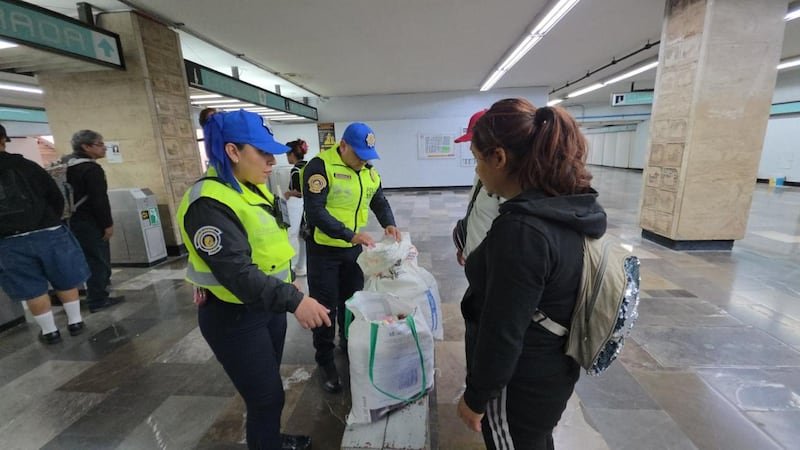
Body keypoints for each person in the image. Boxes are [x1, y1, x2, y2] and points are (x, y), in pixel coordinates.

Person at [456, 98, 607, 450]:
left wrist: (476, 397)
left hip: (520, 381)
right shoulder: (565, 207)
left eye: (478, 160)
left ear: (499, 158)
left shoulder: (521, 230)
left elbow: (503, 331)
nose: (477, 171)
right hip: (552, 365)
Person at [177, 110, 330, 450]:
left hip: (266, 306)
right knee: (266, 397)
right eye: (262, 152)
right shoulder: (209, 202)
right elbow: (238, 273)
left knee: (267, 388)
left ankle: (269, 439)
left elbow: (266, 245)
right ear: (232, 151)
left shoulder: (249, 188)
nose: (271, 161)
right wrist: (295, 301)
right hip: (233, 316)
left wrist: (289, 280)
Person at [302, 122, 401, 393]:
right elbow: (315, 212)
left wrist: (388, 223)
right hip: (324, 250)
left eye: (366, 156)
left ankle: (348, 343)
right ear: (342, 145)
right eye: (357, 155)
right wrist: (350, 235)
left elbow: (379, 200)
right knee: (325, 306)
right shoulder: (320, 166)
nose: (362, 162)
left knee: (352, 300)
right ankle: (324, 359)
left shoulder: (368, 171)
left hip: (353, 250)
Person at [0, 124, 90, 344]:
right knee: (65, 276)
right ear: (4, 140)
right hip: (48, 231)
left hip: (8, 240)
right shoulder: (27, 166)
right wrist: (50, 219)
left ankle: (50, 332)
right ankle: (75, 322)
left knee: (30, 287)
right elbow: (55, 196)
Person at [64, 130, 125, 313]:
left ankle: (89, 295)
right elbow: (99, 199)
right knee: (98, 260)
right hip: (90, 222)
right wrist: (107, 224)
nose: (104, 147)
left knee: (85, 259)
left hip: (71, 221)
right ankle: (98, 299)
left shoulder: (67, 164)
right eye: (100, 144)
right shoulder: (91, 169)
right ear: (86, 146)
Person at [452, 109, 504, 266]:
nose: (470, 147)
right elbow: (476, 210)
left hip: (492, 266)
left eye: (474, 141)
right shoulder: (483, 173)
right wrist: (465, 246)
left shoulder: (510, 189)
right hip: (476, 260)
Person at [283, 139, 309, 276]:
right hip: (310, 208)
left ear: (292, 154)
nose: (287, 158)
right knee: (304, 237)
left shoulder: (296, 170)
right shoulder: (308, 166)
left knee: (300, 237)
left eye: (287, 154)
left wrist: (289, 193)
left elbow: (300, 193)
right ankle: (301, 265)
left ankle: (301, 265)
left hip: (300, 209)